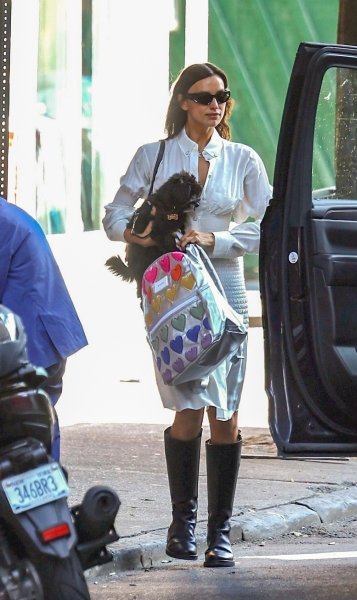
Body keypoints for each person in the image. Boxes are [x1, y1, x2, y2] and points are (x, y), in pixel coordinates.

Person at [103, 62, 272, 568]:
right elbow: (114, 214)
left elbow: (271, 223)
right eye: (204, 97)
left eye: (222, 96)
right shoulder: (153, 155)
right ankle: (183, 523)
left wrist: (217, 239)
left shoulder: (242, 159)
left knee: (226, 410)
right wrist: (136, 234)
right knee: (187, 408)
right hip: (171, 294)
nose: (215, 104)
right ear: (183, 102)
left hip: (226, 289)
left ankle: (219, 532)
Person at [0, 197, 88, 460]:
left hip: (30, 342)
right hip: (45, 337)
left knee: (25, 421)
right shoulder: (10, 215)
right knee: (38, 418)